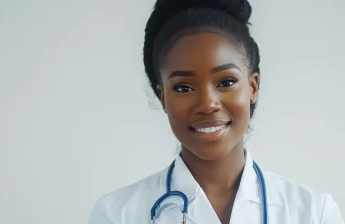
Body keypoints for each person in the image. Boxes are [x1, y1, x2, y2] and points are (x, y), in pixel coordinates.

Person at [88, 0, 344, 223]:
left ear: (253, 86)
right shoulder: (117, 215)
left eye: (226, 82)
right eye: (184, 87)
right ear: (162, 97)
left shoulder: (314, 213)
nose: (208, 104)